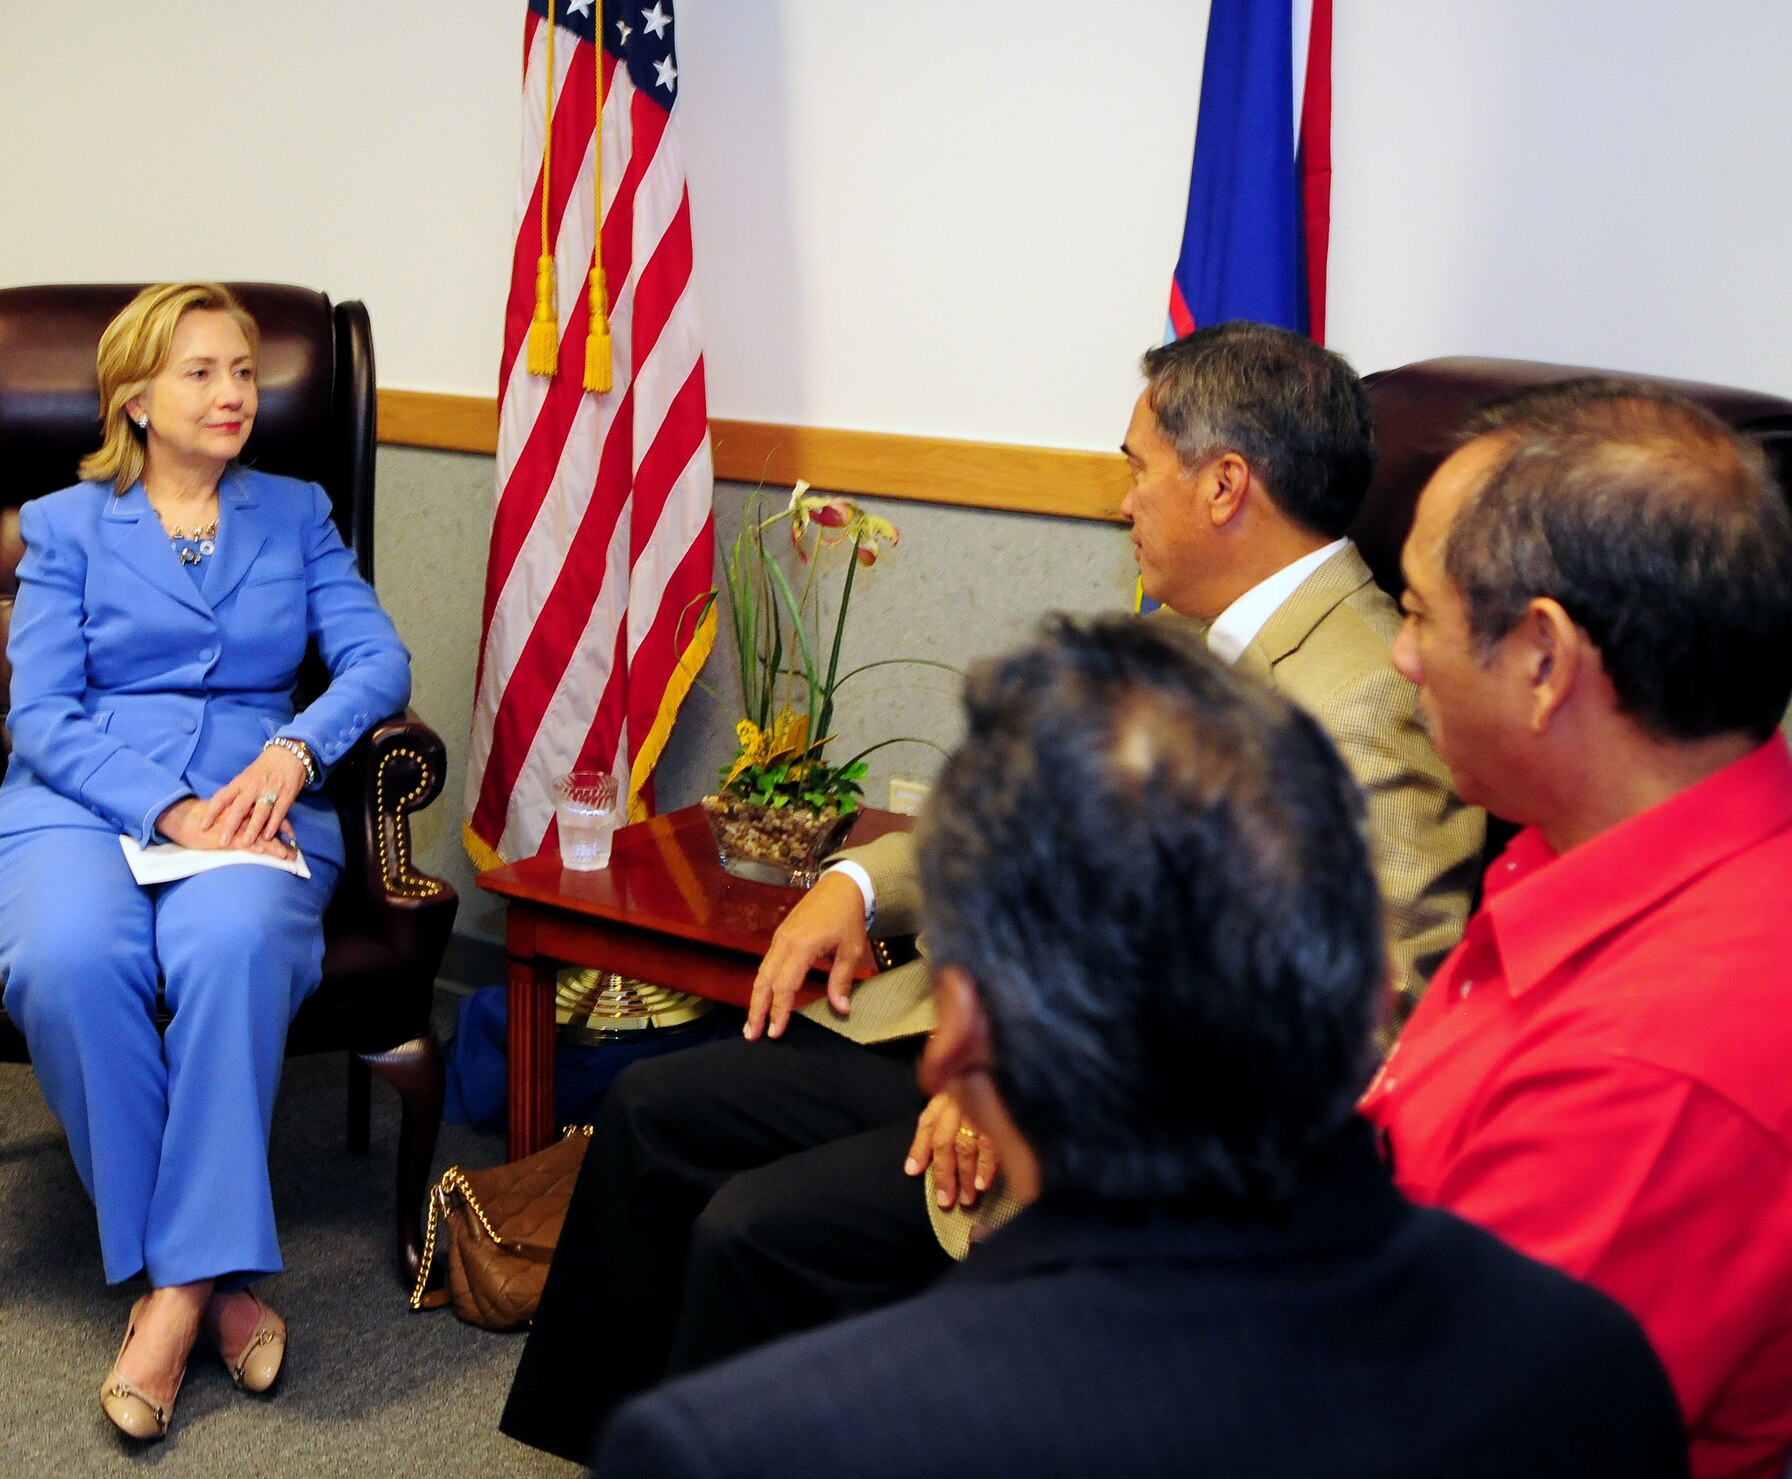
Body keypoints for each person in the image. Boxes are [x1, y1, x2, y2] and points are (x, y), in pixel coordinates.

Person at [500, 322, 1481, 1463]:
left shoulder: (1368, 699)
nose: (1123, 504)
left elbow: (1350, 1028)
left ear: (1224, 485)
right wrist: (859, 883)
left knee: (752, 1232)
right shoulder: (1193, 633)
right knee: (653, 1109)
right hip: (963, 1032)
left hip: (1097, 1133)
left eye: (1134, 466)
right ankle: (595, 1446)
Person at [591, 614, 1685, 1479]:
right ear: (1369, 992)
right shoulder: (1595, 1368)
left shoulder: (761, 1443)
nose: (1406, 644)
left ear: (961, 1038)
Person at [0, 283, 410, 1440]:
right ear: (135, 399)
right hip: (79, 798)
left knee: (236, 943)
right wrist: (163, 806)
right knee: (68, 960)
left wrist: (293, 749)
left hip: (252, 800)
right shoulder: (63, 525)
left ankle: (167, 1303)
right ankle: (210, 1281)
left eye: (245, 373)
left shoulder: (296, 511)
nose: (231, 396)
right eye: (200, 373)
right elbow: (45, 716)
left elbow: (376, 662)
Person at [1362, 380, 1792, 1479]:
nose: (1400, 660)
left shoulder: (1657, 1062)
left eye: (1413, 613)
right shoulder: (1580, 855)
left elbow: (1428, 1434)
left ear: (1543, 662)